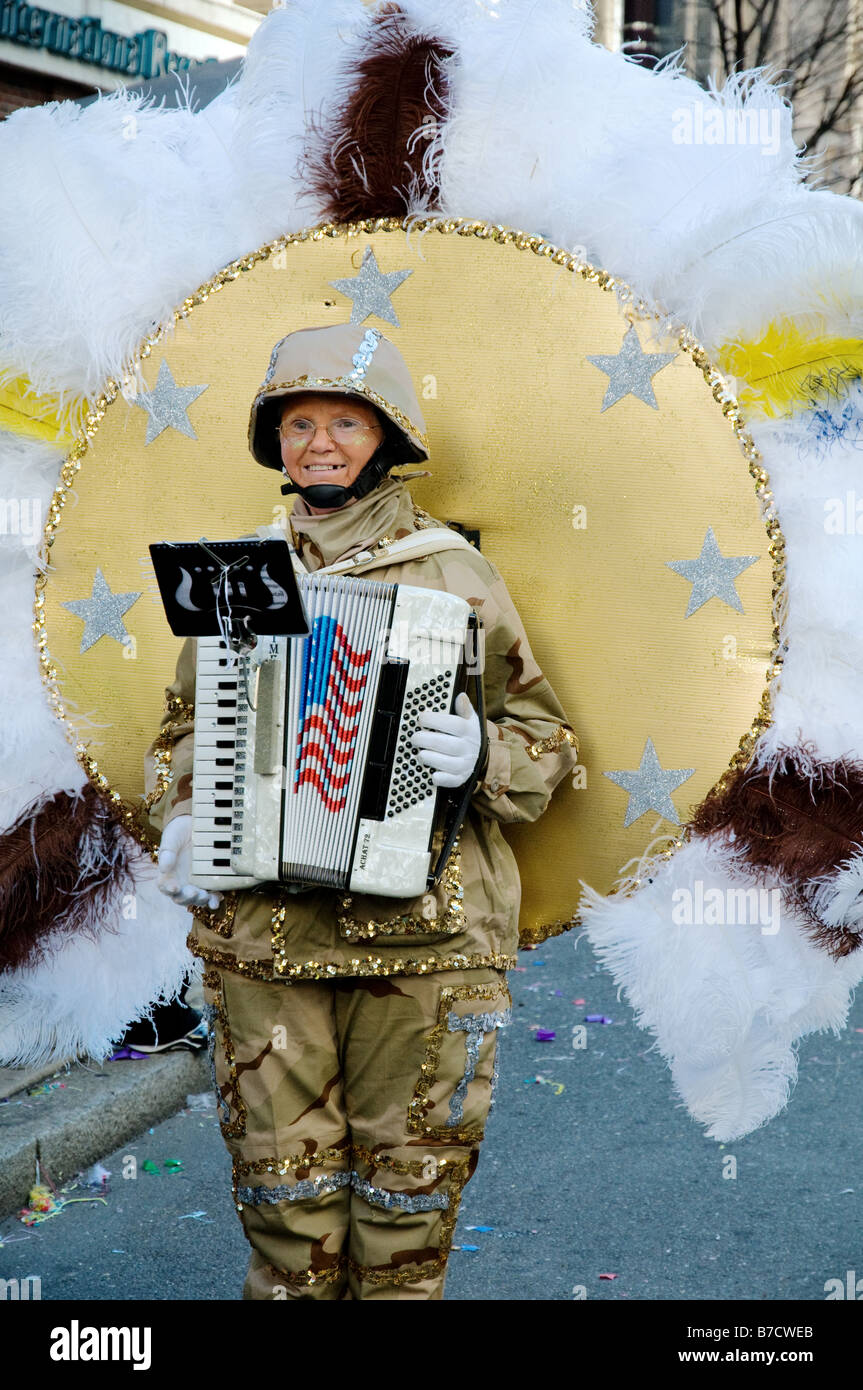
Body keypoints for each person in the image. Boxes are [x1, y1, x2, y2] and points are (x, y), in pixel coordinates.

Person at [143, 323, 579, 1300]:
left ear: (385, 437)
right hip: (267, 942)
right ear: (276, 443)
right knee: (284, 1214)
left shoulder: (453, 574)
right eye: (298, 423)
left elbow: (547, 741)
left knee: (404, 1216)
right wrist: (182, 808)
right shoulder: (236, 574)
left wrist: (482, 756)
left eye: (344, 420)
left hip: (422, 946)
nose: (320, 443)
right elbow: (180, 727)